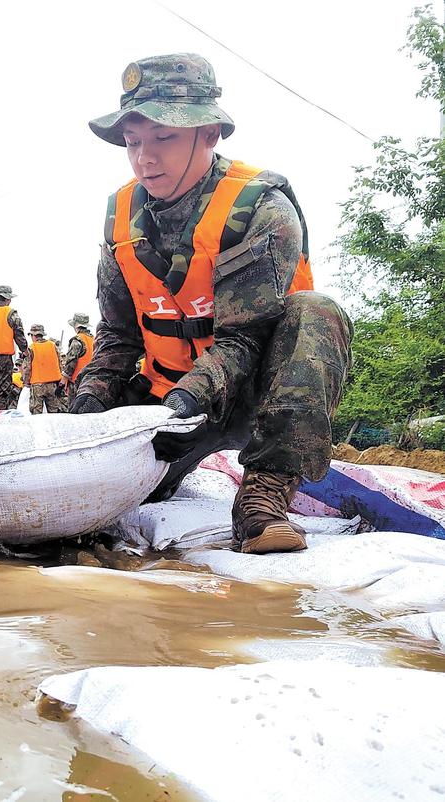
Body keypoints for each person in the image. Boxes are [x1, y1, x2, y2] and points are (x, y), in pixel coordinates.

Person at [71, 54, 352, 555]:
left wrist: (191, 404)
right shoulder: (120, 216)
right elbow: (117, 336)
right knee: (97, 506)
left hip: (250, 395)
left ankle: (262, 500)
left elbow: (245, 337)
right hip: (167, 400)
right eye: (133, 142)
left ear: (210, 133)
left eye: (164, 138)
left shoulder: (261, 207)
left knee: (316, 310)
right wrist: (91, 401)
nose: (144, 158)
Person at [23, 324, 66, 415]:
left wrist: (26, 382)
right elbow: (60, 363)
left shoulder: (31, 348)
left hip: (37, 385)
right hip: (52, 385)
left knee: (36, 414)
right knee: (54, 413)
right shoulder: (53, 346)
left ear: (34, 335)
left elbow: (27, 367)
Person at [61, 313, 95, 407]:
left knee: (74, 411)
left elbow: (71, 363)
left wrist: (62, 383)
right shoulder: (95, 340)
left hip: (77, 383)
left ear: (76, 326)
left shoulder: (77, 341)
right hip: (92, 381)